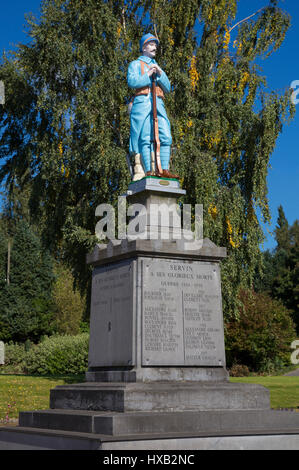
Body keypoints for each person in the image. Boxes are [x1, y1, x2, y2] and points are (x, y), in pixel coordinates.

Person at [127, 33, 178, 179]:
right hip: (142, 104)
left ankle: (164, 169)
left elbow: (168, 88)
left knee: (166, 135)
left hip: (158, 105)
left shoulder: (157, 66)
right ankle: (148, 170)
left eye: (155, 45)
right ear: (143, 47)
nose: (154, 47)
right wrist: (148, 74)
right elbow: (132, 82)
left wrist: (160, 74)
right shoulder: (135, 64)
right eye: (151, 44)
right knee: (144, 137)